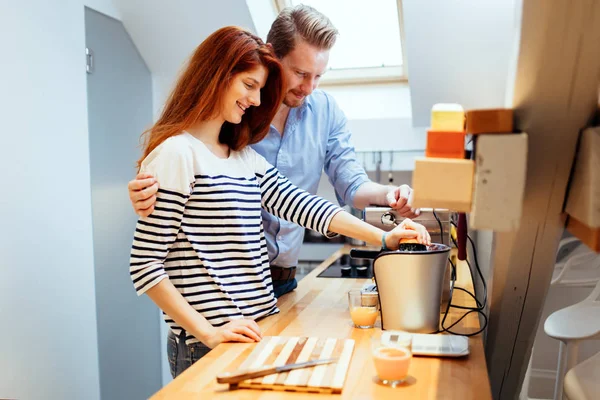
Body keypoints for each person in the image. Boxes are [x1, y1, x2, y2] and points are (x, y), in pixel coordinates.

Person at [130, 26, 430, 378]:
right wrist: (207, 332)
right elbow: (145, 265)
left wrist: (383, 237)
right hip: (206, 347)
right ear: (216, 76)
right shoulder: (178, 154)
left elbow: (304, 206)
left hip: (257, 332)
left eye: (259, 89)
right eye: (249, 85)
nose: (256, 101)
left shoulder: (241, 158)